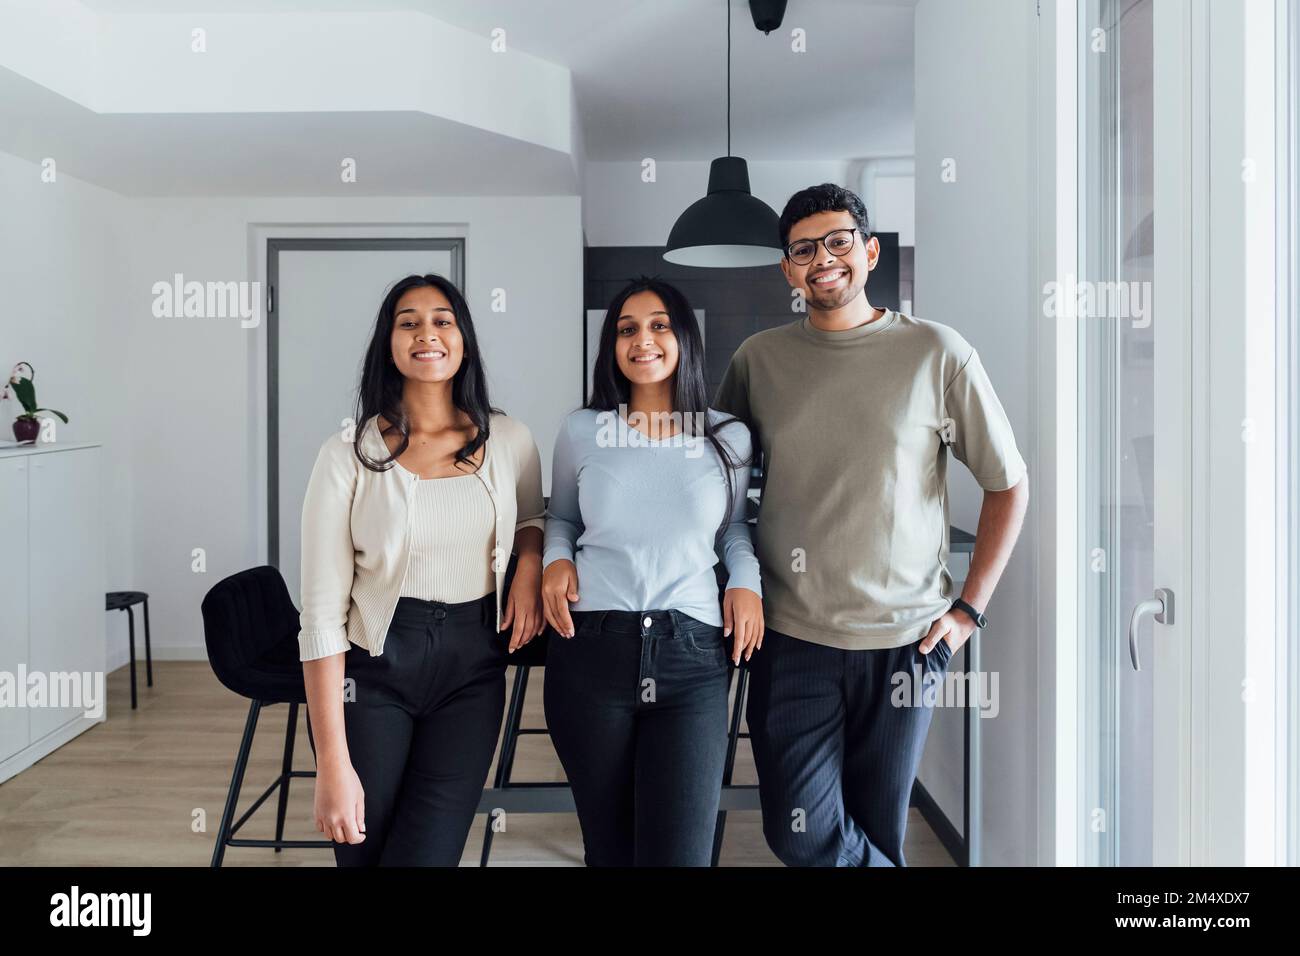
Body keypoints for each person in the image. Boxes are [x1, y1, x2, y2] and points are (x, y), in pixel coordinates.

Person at [713, 183, 1029, 866]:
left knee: (876, 829)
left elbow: (1008, 484)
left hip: (908, 644)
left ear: (870, 250)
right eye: (804, 249)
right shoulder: (757, 360)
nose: (823, 258)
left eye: (838, 240)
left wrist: (969, 610)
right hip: (789, 637)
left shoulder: (937, 353)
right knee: (799, 832)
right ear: (788, 270)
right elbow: (717, 487)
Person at [297, 273, 546, 866]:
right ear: (389, 343)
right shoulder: (348, 455)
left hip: (473, 671)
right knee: (363, 853)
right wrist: (330, 764)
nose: (426, 333)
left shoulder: (510, 439)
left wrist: (531, 564)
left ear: (463, 340)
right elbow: (322, 616)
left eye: (442, 320)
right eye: (407, 322)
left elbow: (533, 516)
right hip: (374, 668)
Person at [541, 275, 764, 866]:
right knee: (610, 852)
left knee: (681, 855)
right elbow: (560, 517)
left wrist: (746, 582)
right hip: (590, 649)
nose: (644, 340)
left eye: (660, 325)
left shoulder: (727, 436)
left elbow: (734, 529)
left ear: (684, 338)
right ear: (611, 347)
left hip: (691, 657)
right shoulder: (582, 430)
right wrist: (554, 559)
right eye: (627, 329)